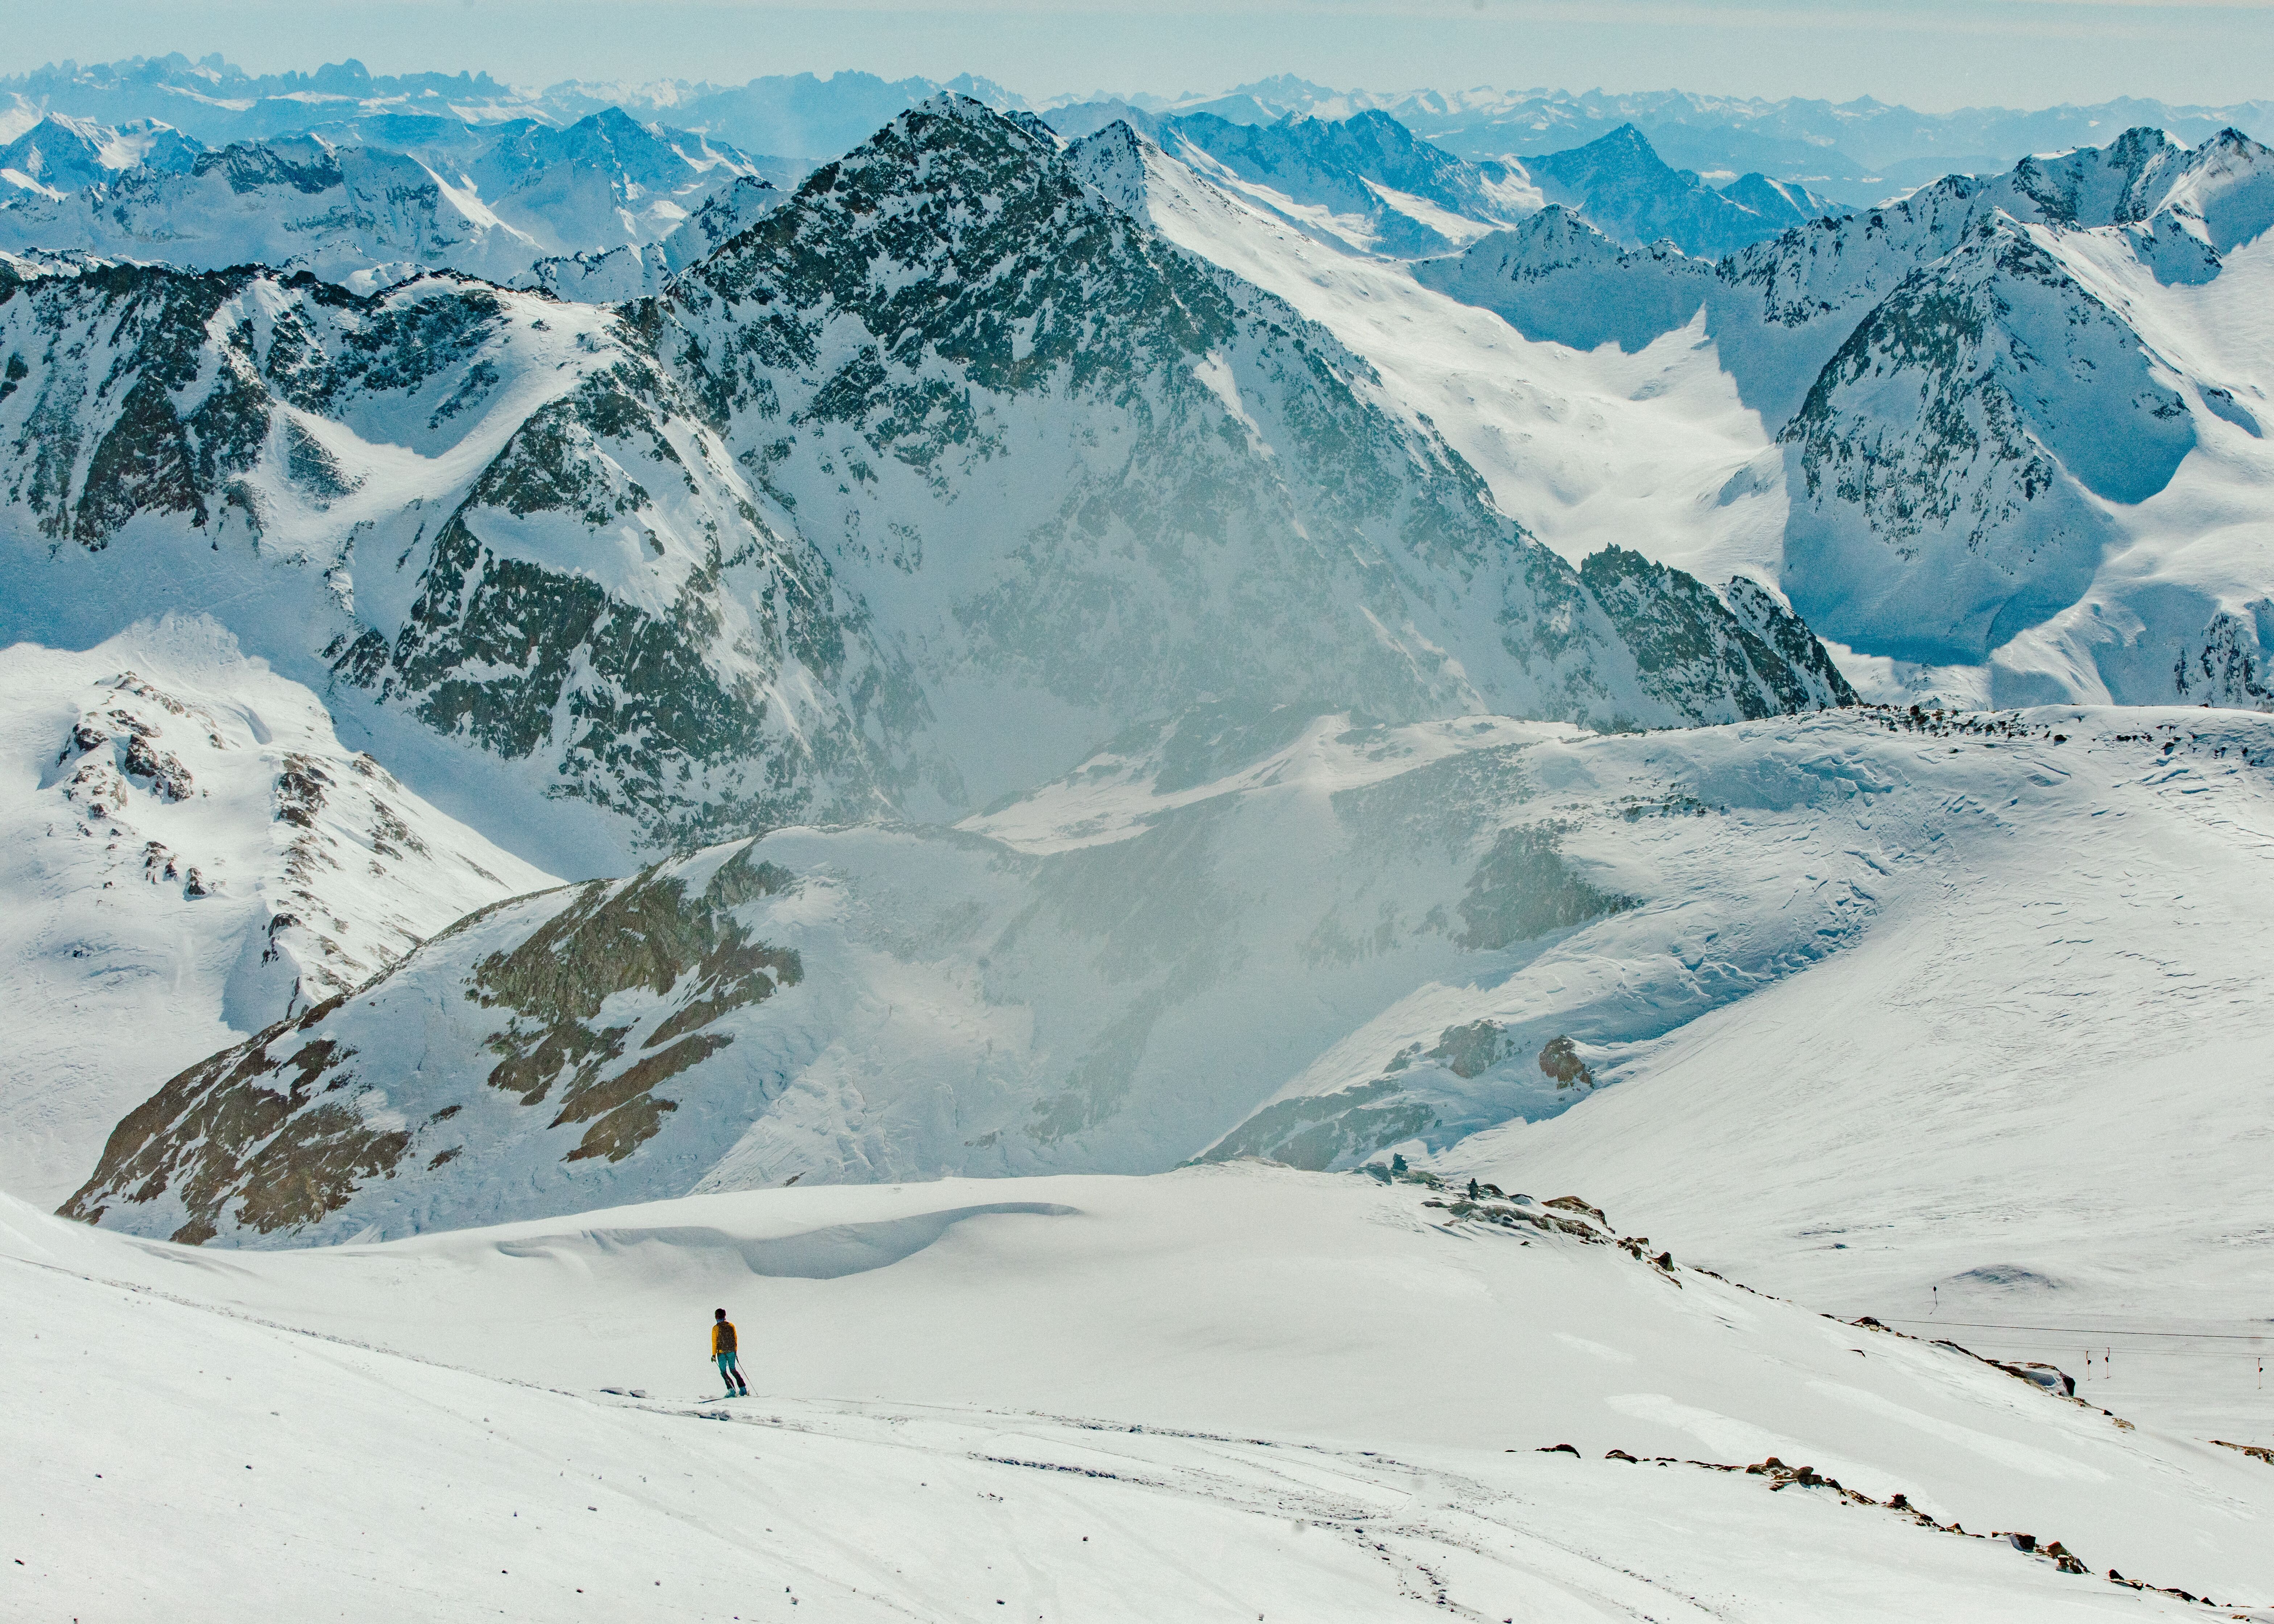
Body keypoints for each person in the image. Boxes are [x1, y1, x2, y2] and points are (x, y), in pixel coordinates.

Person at [712, 1308, 748, 1397]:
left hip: (721, 1353)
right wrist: (735, 1351)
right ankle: (743, 1389)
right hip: (731, 1352)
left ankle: (732, 1390)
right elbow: (735, 1339)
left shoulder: (716, 1328)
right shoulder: (731, 1326)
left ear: (717, 1317)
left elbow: (715, 1342)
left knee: (723, 1372)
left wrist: (714, 1355)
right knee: (733, 1370)